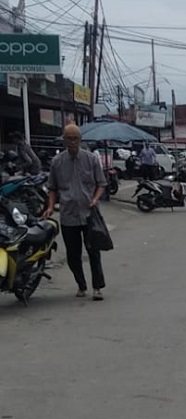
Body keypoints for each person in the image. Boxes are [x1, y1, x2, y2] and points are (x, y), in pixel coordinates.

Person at [43, 124, 108, 301]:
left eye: (75, 138)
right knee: (73, 255)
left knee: (93, 251)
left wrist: (95, 199)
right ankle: (81, 284)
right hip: (68, 214)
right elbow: (52, 188)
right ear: (64, 140)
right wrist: (50, 207)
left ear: (80, 140)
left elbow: (101, 184)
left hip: (89, 214)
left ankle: (97, 288)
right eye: (69, 138)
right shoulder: (57, 162)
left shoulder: (91, 159)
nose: (72, 142)